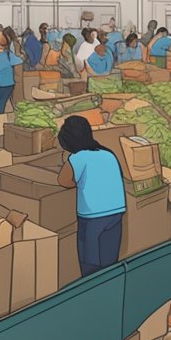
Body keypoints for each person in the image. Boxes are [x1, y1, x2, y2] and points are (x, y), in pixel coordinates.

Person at [56, 115, 126, 277]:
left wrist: (78, 178)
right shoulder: (108, 153)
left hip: (92, 217)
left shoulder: (77, 158)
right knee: (109, 259)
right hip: (116, 212)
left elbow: (63, 180)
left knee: (90, 263)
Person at [0, 26, 21, 114]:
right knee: (4, 101)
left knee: (0, 101)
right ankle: (0, 115)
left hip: (2, 83)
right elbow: (19, 61)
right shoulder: (9, 55)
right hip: (10, 83)